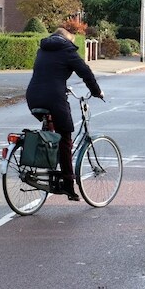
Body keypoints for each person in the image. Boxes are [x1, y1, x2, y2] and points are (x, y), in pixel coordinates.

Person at [25, 27, 103, 200]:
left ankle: (48, 168)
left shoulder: (42, 49)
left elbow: (48, 73)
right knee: (65, 137)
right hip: (53, 98)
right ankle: (68, 185)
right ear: (68, 40)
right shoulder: (67, 50)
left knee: (51, 132)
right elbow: (86, 73)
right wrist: (97, 92)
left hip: (33, 97)